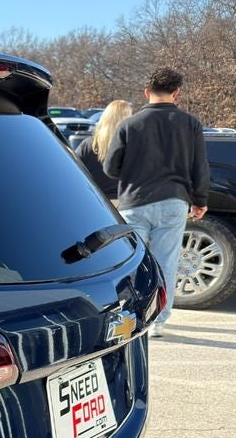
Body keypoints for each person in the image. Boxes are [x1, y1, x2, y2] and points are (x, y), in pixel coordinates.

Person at [102, 67, 210, 335]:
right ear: (177, 93)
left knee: (130, 263)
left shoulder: (129, 124)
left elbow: (110, 168)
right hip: (175, 200)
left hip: (135, 201)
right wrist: (200, 200)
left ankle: (128, 319)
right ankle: (157, 323)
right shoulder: (191, 123)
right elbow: (200, 167)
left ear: (147, 92)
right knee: (166, 262)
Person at [75, 100, 131, 200]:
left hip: (97, 202)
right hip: (125, 203)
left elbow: (74, 173)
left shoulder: (88, 145)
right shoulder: (133, 144)